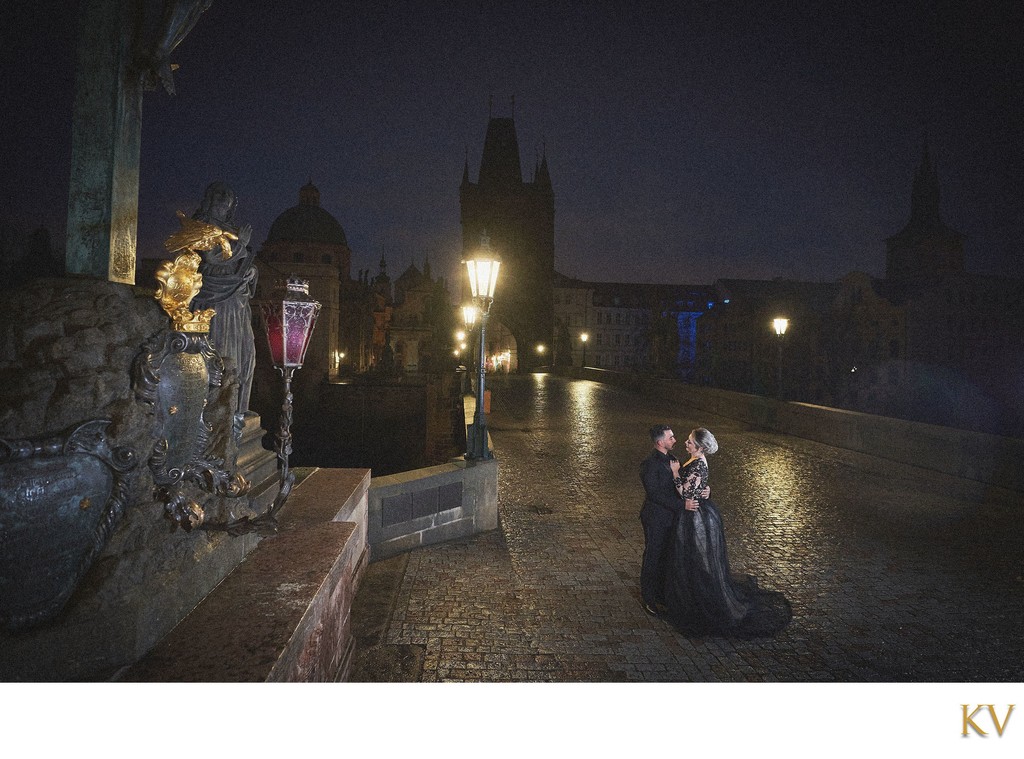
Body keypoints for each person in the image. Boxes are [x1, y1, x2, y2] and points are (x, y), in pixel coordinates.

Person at [663, 427, 791, 637]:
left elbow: (686, 491)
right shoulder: (696, 460)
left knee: (699, 560)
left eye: (690, 442)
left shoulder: (697, 463)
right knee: (694, 560)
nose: (686, 443)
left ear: (701, 448)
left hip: (696, 517)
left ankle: (706, 603)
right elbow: (697, 486)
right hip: (698, 512)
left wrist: (676, 472)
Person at [191, 181, 257, 421]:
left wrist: (251, 273)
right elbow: (209, 257)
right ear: (210, 203)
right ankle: (218, 409)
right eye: (219, 205)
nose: (223, 210)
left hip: (237, 296)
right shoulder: (202, 224)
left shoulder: (229, 228)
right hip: (215, 297)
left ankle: (237, 407)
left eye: (227, 206)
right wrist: (241, 245)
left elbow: (241, 261)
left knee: (246, 353)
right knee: (222, 349)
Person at [639, 424, 703, 616]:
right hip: (656, 518)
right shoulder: (649, 465)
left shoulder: (673, 459)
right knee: (653, 556)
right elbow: (654, 494)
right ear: (660, 442)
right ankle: (649, 598)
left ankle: (662, 594)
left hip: (672, 518)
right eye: (670, 438)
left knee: (667, 556)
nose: (675, 440)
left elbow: (685, 484)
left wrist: (705, 491)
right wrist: (681, 506)